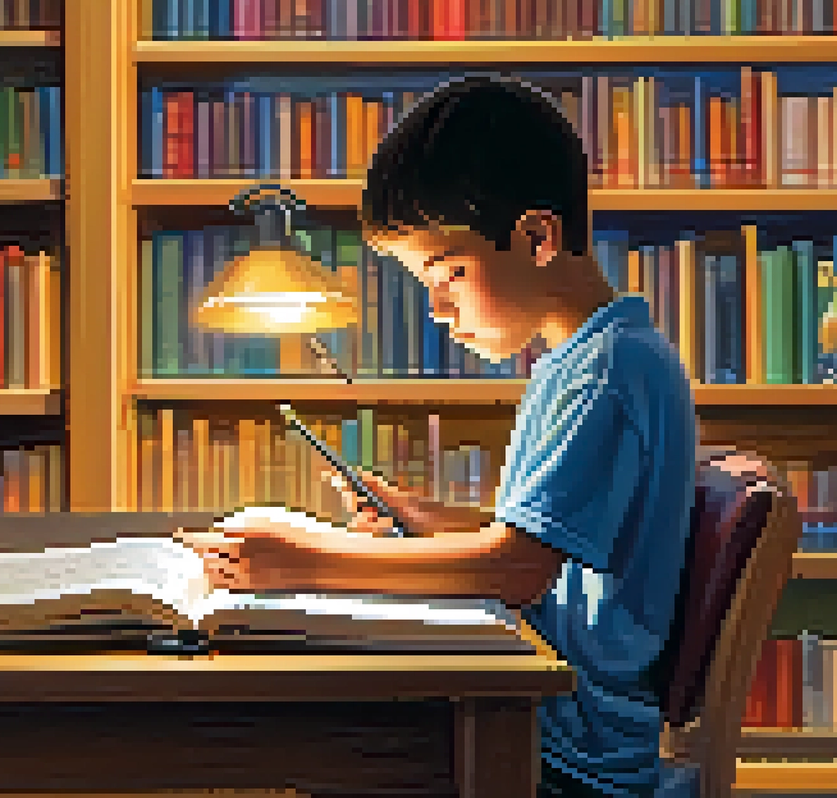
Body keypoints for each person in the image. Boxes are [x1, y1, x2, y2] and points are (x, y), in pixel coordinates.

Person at [178, 73, 699, 798]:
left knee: (280, 738)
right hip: (549, 698)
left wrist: (303, 562)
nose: (437, 307)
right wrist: (426, 519)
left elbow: (517, 569)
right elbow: (556, 541)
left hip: (564, 740)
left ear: (537, 238)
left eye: (449, 271)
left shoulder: (605, 373)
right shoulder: (591, 357)